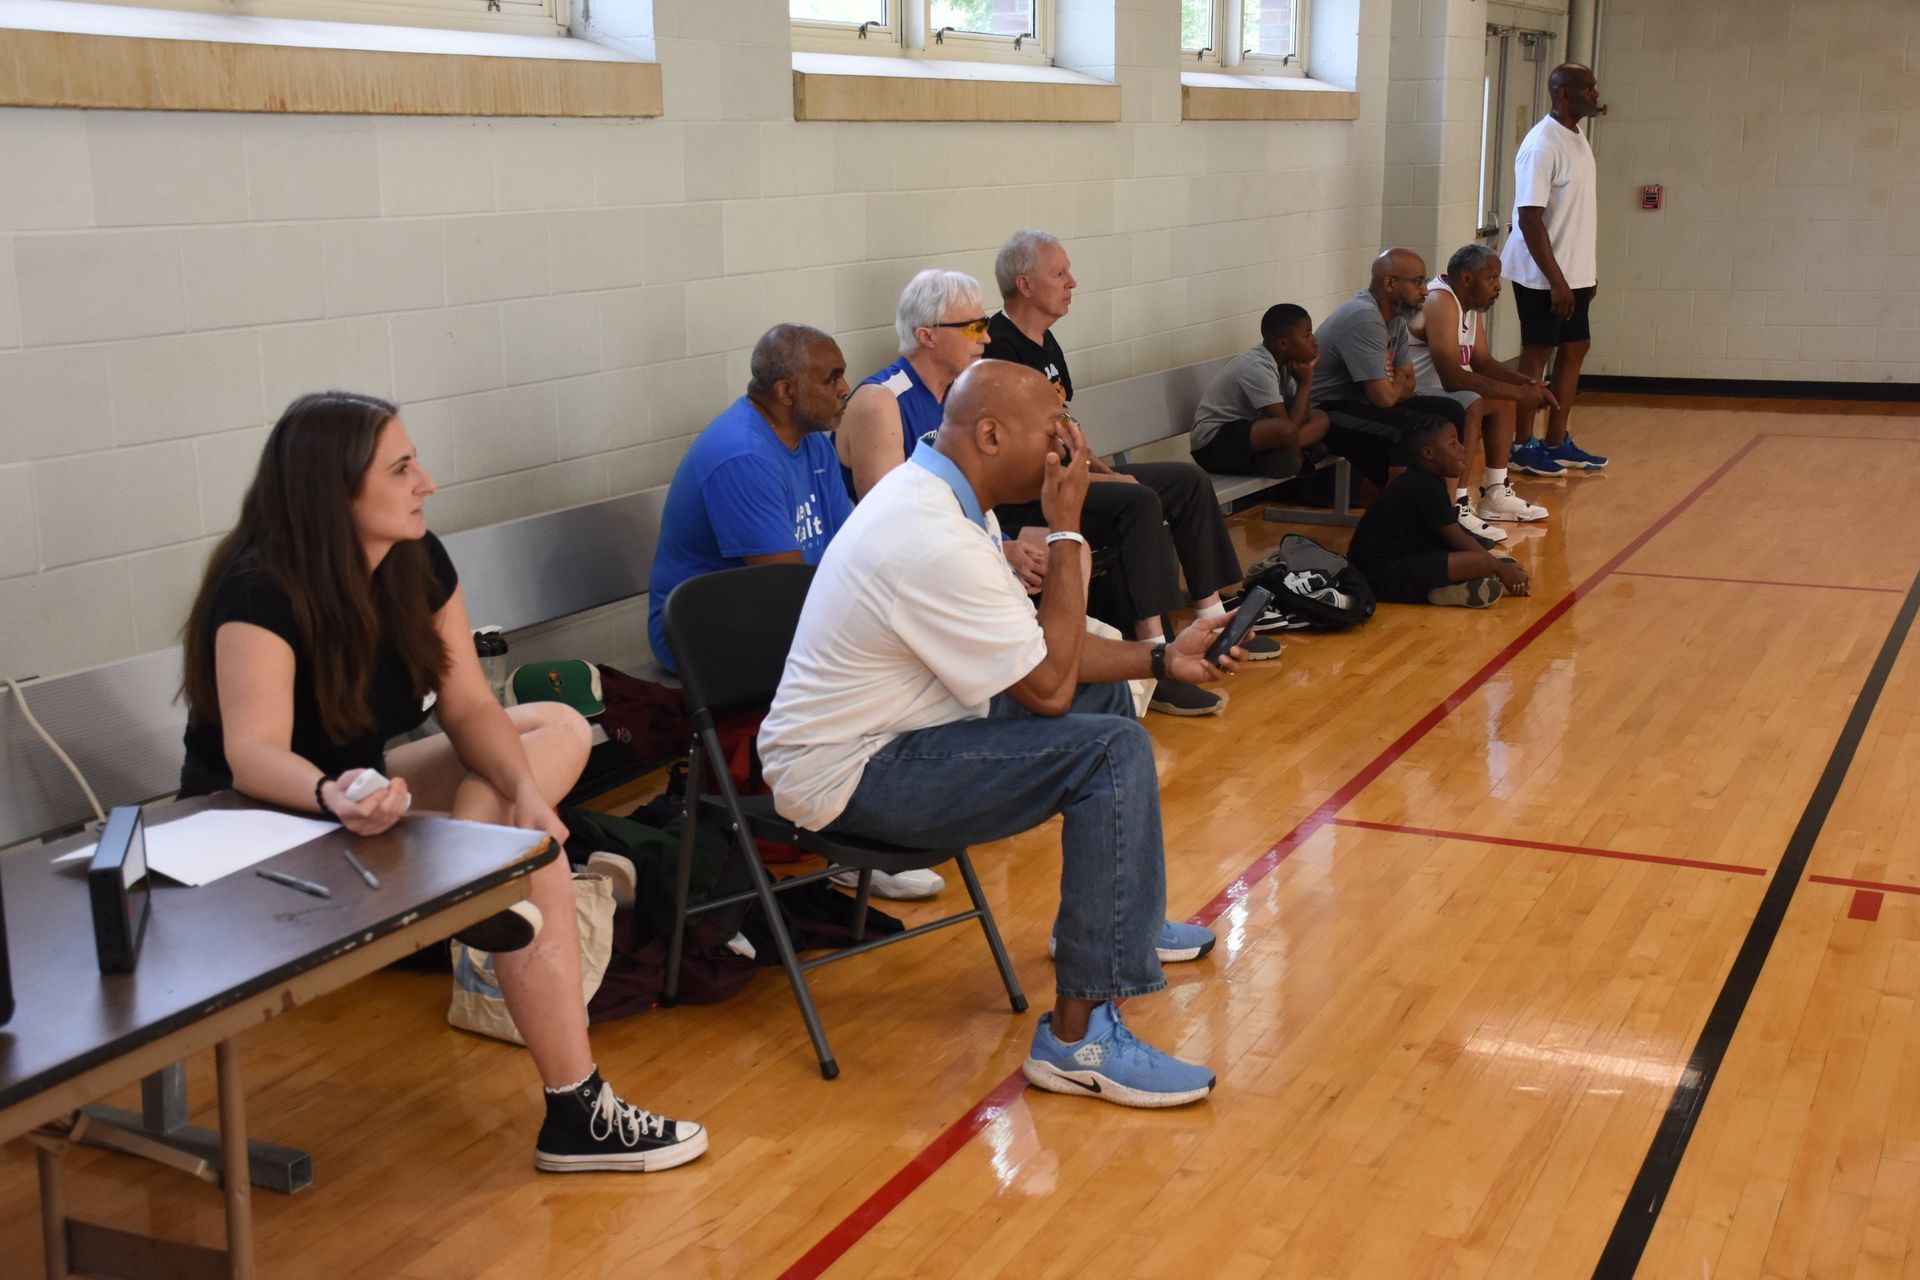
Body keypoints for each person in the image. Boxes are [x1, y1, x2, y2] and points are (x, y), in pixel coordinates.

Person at [178, 391, 707, 1175]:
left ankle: (473, 873)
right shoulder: (260, 587)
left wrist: (530, 793)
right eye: (401, 468)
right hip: (260, 823)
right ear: (335, 491)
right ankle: (575, 1108)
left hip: (364, 794)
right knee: (541, 864)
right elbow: (253, 753)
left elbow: (465, 704)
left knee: (555, 734)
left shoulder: (415, 559)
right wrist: (334, 795)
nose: (425, 481)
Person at [758, 360, 1241, 1108]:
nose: (1070, 446)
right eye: (1055, 431)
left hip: (909, 730)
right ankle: (1077, 1041)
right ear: (989, 434)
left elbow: (1047, 659)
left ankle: (1117, 929)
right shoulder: (928, 533)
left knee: (1105, 694)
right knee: (1110, 751)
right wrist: (1070, 530)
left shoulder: (949, 497)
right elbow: (1047, 689)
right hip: (849, 773)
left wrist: (1159, 655)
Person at [983, 229, 1280, 718]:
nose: (1072, 282)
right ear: (1026, 284)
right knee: (1138, 502)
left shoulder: (1046, 343)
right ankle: (1157, 657)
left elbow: (1067, 428)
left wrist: (1102, 470)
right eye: (1059, 273)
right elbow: (1025, 460)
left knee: (1184, 481)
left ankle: (1212, 622)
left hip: (1070, 475)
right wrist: (1103, 481)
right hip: (1030, 493)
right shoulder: (1001, 350)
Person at [647, 324, 853, 676]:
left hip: (779, 613)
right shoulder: (743, 457)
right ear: (786, 391)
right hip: (706, 633)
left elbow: (851, 546)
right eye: (831, 380)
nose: (845, 390)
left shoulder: (813, 441)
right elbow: (786, 587)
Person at [1310, 248, 1506, 545]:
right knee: (1410, 427)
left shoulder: (1397, 318)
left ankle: (1445, 516)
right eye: (1417, 282)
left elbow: (1408, 383)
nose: (1425, 290)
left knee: (1450, 412)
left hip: (1359, 404)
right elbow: (1384, 399)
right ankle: (1405, 528)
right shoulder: (1366, 318)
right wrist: (1394, 384)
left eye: (1425, 280)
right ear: (1389, 284)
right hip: (1323, 412)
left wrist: (1395, 383)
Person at [1501, 62, 1610, 476]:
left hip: (1573, 274)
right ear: (1563, 93)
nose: (1595, 94)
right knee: (1537, 355)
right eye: (1588, 88)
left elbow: (1577, 215)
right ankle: (1521, 444)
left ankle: (1557, 440)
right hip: (1541, 275)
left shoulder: (1578, 138)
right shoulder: (1542, 145)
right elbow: (1529, 220)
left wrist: (1587, 274)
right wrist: (1558, 281)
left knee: (1575, 349)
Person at [1407, 243, 1557, 524]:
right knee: (1471, 401)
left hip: (1440, 391)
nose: (1498, 287)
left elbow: (1484, 362)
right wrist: (1519, 392)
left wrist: (1529, 384)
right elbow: (1452, 375)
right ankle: (1459, 502)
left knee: (1501, 398)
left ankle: (1495, 493)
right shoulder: (1440, 301)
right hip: (1414, 392)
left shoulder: (1468, 306)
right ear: (1467, 278)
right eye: (1491, 278)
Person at [1345, 416, 1533, 609]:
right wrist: (1499, 568)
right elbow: (1455, 537)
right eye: (1453, 443)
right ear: (1428, 453)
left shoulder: (1425, 478)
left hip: (1393, 564)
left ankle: (1447, 590)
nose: (1462, 448)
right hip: (1378, 576)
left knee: (1482, 558)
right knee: (1481, 562)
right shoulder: (1423, 485)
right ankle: (1443, 588)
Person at [1189, 302, 1330, 480]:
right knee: (1285, 430)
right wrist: (1305, 385)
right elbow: (1288, 426)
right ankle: (1299, 457)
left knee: (1320, 418)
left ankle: (1288, 454)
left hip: (1253, 434)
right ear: (1283, 344)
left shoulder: (1287, 364)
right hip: (1213, 442)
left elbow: (1302, 415)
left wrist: (1304, 383)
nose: (1314, 341)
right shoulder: (1257, 366)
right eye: (1307, 335)